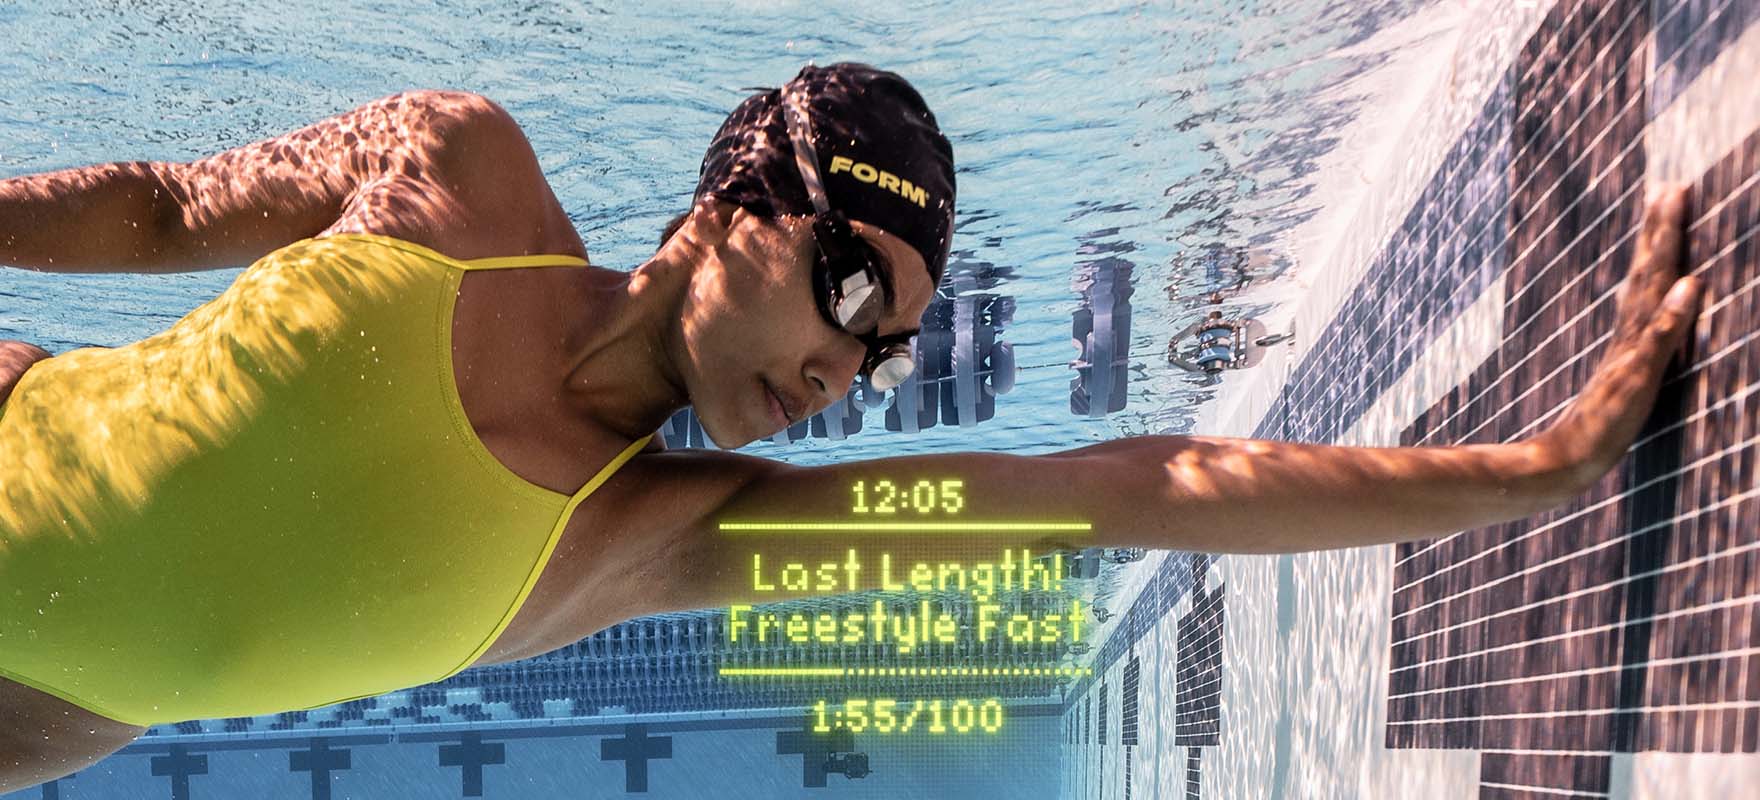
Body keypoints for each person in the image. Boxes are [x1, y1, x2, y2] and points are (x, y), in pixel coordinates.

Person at [0, 62, 1704, 792]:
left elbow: (1129, 487)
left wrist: (1528, 472)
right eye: (852, 288)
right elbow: (160, 207)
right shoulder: (451, 169)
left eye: (892, 342)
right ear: (741, 199)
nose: (856, 366)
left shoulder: (659, 537)